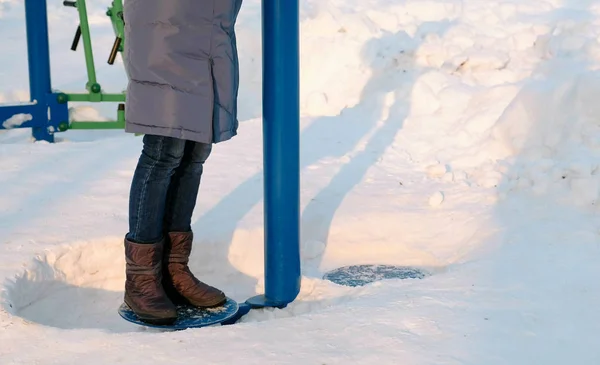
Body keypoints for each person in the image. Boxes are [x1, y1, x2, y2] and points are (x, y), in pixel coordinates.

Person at [121, 0, 243, 325]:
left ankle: (174, 270)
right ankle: (141, 278)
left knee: (195, 151)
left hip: (207, 27)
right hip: (169, 24)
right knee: (165, 147)